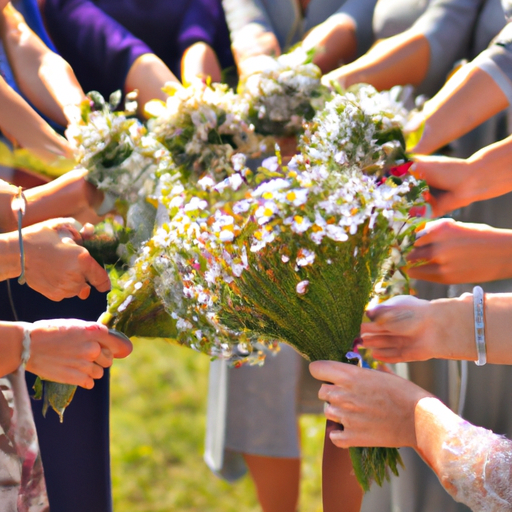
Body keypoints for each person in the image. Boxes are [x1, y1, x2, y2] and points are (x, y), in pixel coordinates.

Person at [41, 0, 234, 110]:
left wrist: (195, 43)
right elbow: (121, 50)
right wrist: (188, 117)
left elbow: (201, 9)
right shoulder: (67, 5)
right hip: (141, 121)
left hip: (209, 90)